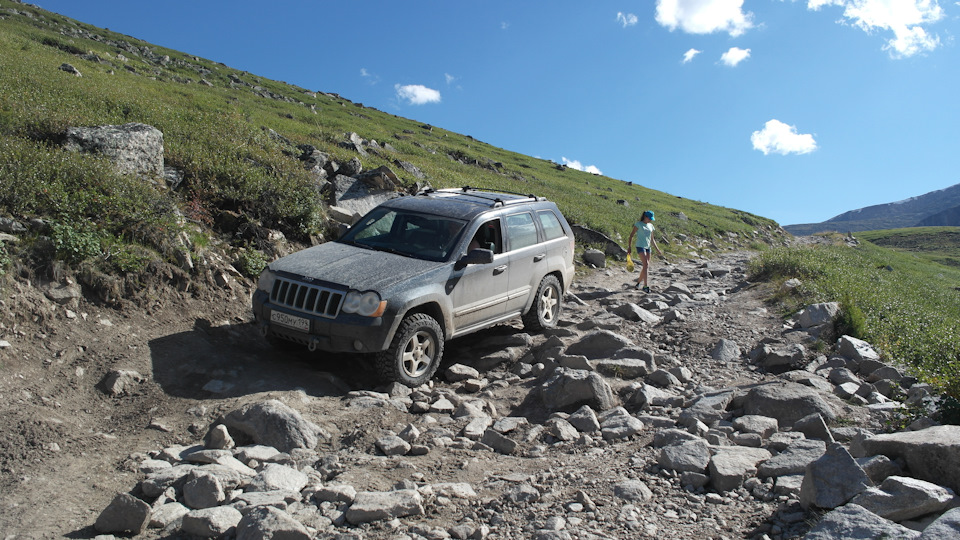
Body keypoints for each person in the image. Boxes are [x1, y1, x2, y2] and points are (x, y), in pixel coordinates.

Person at [627, 210, 664, 292]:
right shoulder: (638, 224)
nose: (650, 220)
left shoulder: (651, 226)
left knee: (645, 266)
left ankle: (638, 283)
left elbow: (652, 239)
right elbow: (631, 235)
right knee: (646, 264)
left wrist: (657, 249)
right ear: (645, 217)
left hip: (648, 247)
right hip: (640, 246)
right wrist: (629, 247)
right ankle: (645, 286)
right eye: (649, 218)